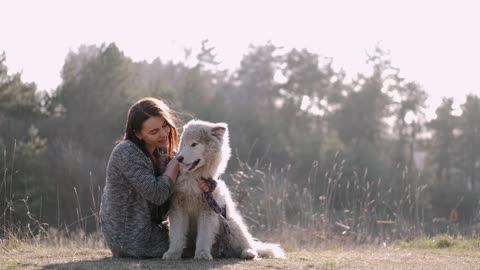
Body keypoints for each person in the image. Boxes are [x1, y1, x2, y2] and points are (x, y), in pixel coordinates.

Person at [99, 97, 211, 258]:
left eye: (165, 125)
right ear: (138, 133)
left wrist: (207, 185)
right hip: (130, 237)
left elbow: (188, 176)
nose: (164, 134)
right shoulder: (126, 153)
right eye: (154, 131)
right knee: (196, 247)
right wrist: (174, 166)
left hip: (152, 228)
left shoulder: (161, 152)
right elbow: (157, 195)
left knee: (209, 237)